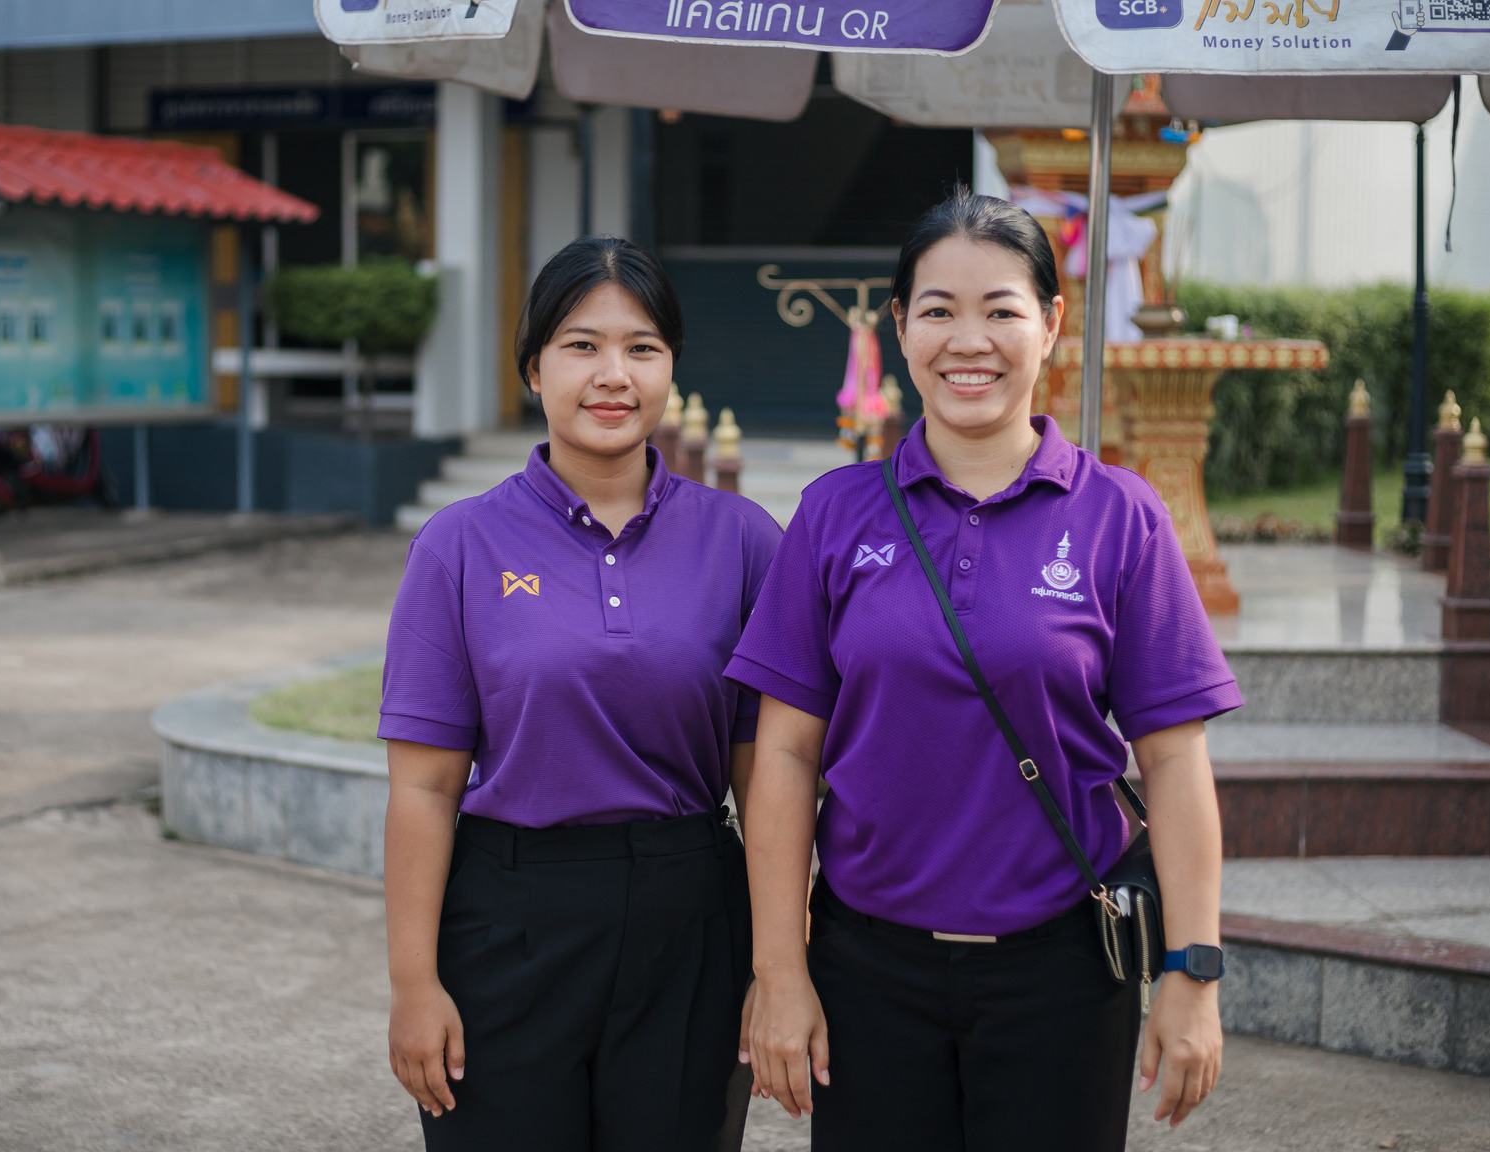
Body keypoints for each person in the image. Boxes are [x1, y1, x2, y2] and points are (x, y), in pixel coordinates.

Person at [730, 188, 1242, 1151]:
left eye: (1001, 309)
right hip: (865, 971)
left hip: (1062, 972)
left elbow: (1174, 762)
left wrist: (1192, 971)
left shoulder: (1121, 517)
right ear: (900, 327)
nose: (970, 341)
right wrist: (781, 969)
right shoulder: (836, 516)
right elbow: (786, 758)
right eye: (938, 310)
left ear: (1050, 323)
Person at [379, 235, 782, 1152]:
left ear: (671, 367)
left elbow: (770, 781)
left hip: (689, 919)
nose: (613, 375)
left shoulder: (746, 541)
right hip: (507, 923)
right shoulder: (459, 546)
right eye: (581, 345)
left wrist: (776, 963)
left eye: (642, 348)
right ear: (533, 368)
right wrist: (413, 984)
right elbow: (423, 788)